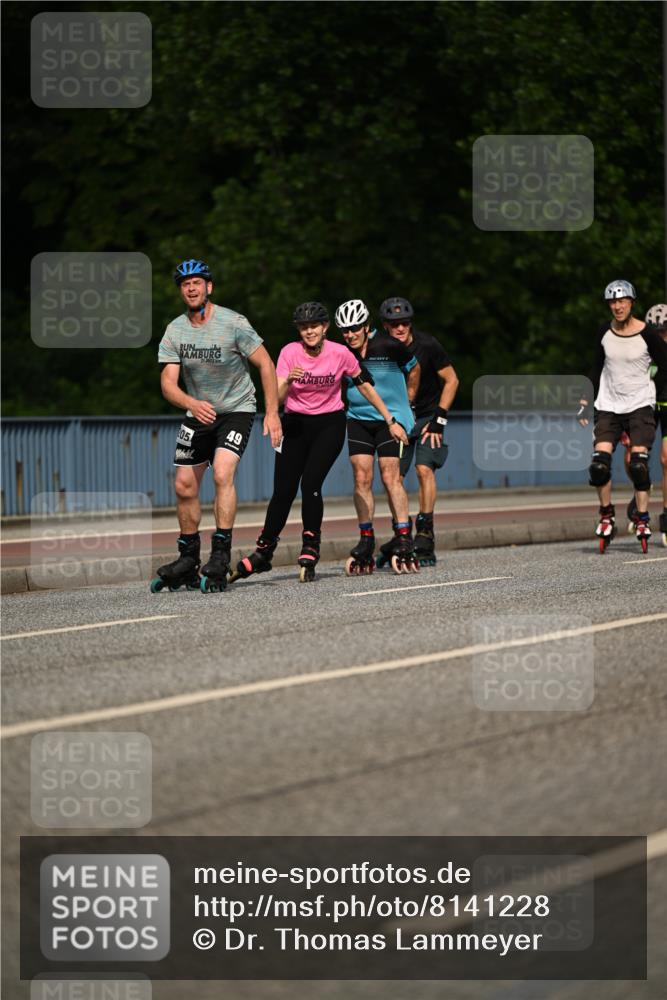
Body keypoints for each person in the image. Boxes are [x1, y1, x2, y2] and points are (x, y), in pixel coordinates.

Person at [230, 301, 408, 583]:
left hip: (330, 424)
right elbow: (275, 398)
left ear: (325, 328)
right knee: (283, 491)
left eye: (314, 326)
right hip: (296, 424)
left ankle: (311, 547)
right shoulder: (289, 352)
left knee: (311, 484)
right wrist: (288, 380)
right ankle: (264, 551)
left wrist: (390, 420)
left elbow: (364, 386)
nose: (309, 332)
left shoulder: (340, 354)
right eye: (303, 328)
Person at [151, 259, 282, 593]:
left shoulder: (234, 323)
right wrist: (191, 404)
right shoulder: (175, 330)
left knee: (223, 472)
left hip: (236, 409)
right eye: (185, 284)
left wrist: (272, 412)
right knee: (183, 484)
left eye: (197, 282)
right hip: (199, 412)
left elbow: (266, 364)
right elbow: (168, 384)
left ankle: (220, 556)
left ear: (209, 287)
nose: (191, 288)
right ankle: (188, 559)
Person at [578, 280, 667, 553]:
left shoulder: (648, 334)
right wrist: (585, 399)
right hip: (608, 406)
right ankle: (606, 514)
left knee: (639, 464)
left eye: (622, 302)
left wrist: (652, 394)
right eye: (613, 303)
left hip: (640, 406)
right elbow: (596, 366)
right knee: (598, 465)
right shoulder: (604, 331)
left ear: (631, 303)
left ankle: (641, 518)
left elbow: (665, 367)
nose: (617, 306)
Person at [336, 298, 420, 574]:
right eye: (345, 330)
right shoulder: (343, 354)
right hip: (358, 420)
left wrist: (407, 402)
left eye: (355, 329)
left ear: (366, 327)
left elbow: (415, 369)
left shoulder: (388, 346)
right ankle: (366, 538)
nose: (350, 334)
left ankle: (404, 535)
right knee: (361, 477)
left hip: (391, 421)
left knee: (389, 475)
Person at [381, 296, 459, 565]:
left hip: (427, 416)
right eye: (394, 324)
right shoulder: (380, 349)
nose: (400, 329)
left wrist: (440, 419)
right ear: (385, 326)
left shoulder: (427, 345)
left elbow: (452, 380)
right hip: (398, 421)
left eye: (404, 323)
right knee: (393, 478)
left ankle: (425, 532)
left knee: (424, 469)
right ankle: (401, 533)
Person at [621, 304, 667, 546]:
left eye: (665, 331)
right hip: (646, 406)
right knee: (632, 457)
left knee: (665, 459)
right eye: (656, 331)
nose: (661, 336)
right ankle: (643, 485)